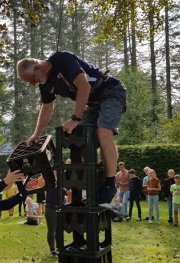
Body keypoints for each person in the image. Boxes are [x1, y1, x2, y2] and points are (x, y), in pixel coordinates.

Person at [17, 51, 127, 204]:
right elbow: (47, 107)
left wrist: (75, 118)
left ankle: (109, 185)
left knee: (103, 132)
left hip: (111, 92)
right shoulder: (45, 83)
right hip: (93, 103)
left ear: (37, 68)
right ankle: (97, 181)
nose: (33, 84)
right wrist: (37, 134)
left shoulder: (63, 59)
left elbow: (84, 87)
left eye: (31, 80)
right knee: (79, 140)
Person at [45, 172, 66, 257]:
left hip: (60, 209)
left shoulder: (63, 184)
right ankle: (52, 250)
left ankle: (59, 248)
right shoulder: (50, 184)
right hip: (51, 209)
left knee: (59, 230)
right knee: (52, 230)